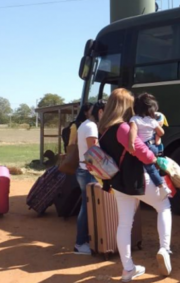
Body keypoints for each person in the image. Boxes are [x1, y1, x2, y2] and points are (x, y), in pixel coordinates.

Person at [98, 88, 172, 281]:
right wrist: (157, 160)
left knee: (124, 224)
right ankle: (164, 249)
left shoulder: (104, 131)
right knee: (163, 206)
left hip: (119, 183)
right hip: (138, 178)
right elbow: (143, 153)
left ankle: (128, 269)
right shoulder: (123, 128)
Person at [73, 101, 104, 255]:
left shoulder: (84, 124)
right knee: (86, 208)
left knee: (86, 207)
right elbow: (94, 151)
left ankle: (84, 241)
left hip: (83, 169)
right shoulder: (91, 126)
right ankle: (80, 243)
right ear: (100, 112)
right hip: (88, 171)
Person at [129, 93, 171, 200]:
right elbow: (161, 132)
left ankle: (162, 187)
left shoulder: (134, 119)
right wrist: (156, 132)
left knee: (150, 169)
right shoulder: (152, 121)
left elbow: (133, 131)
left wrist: (131, 143)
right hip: (153, 147)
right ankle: (159, 186)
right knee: (152, 168)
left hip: (143, 148)